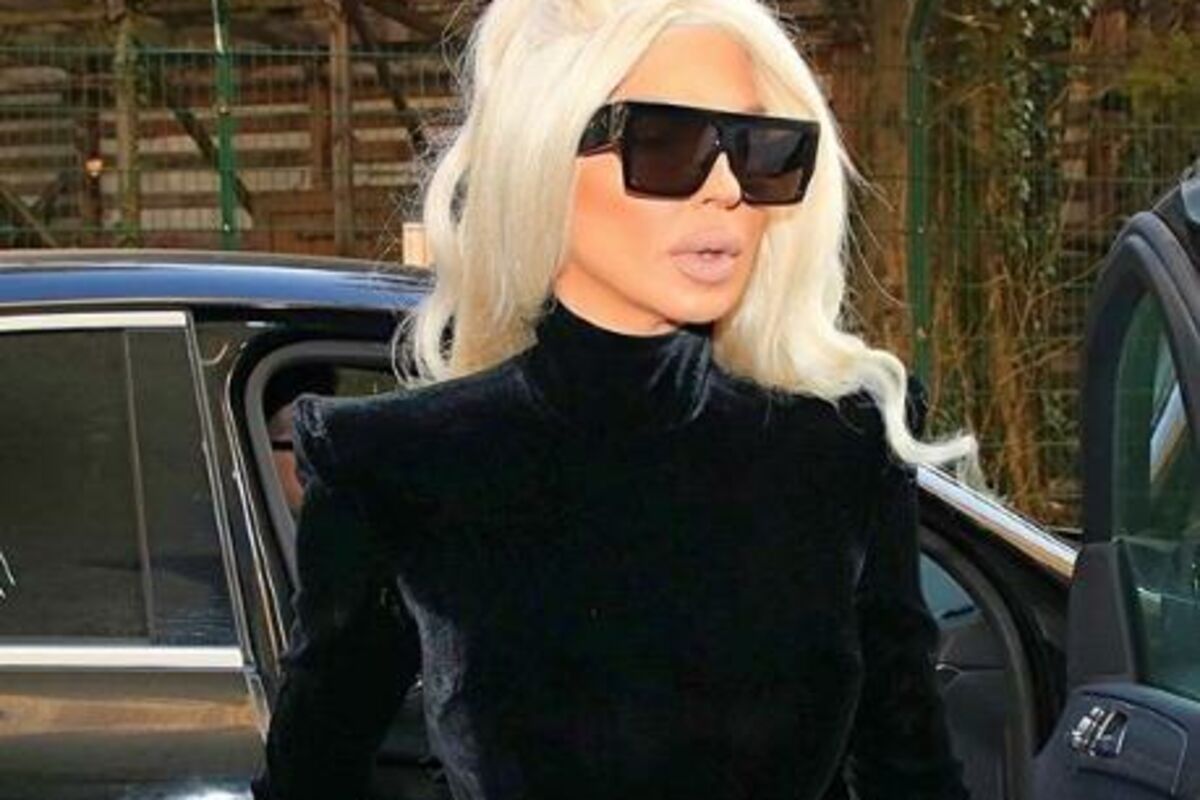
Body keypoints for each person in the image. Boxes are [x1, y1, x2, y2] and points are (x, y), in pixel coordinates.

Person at [254, 0, 983, 798]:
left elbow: (912, 774)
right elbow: (309, 779)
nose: (727, 190)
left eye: (759, 149)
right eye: (666, 142)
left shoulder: (839, 447)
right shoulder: (394, 465)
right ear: (544, 161)